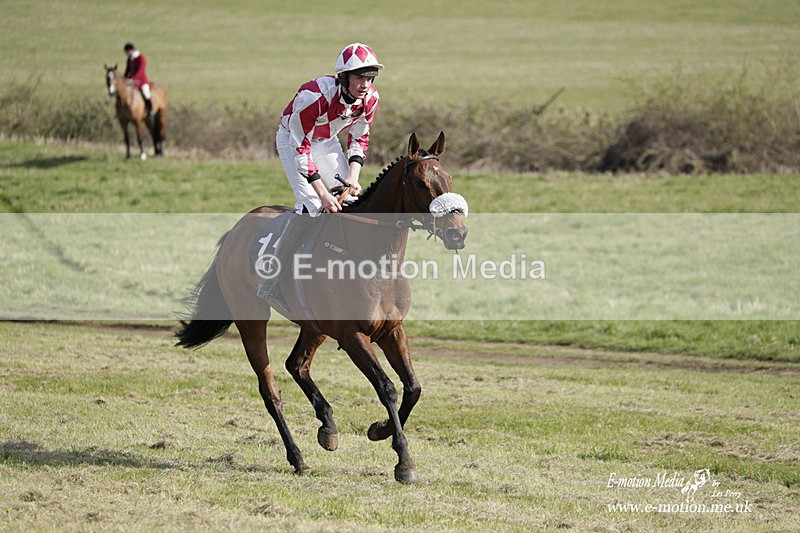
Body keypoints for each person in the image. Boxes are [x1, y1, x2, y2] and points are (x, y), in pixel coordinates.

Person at [258, 43, 384, 310]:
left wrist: (353, 177)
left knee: (352, 201)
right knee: (313, 206)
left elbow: (359, 138)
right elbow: (301, 150)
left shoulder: (370, 99)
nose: (365, 84)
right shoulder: (313, 96)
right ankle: (272, 280)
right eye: (359, 77)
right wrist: (324, 194)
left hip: (326, 143)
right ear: (343, 77)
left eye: (370, 77)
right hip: (294, 143)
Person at [123, 43, 154, 119]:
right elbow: (127, 70)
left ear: (131, 50)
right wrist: (124, 79)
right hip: (131, 81)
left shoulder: (141, 58)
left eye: (127, 52)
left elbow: (140, 71)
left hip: (141, 81)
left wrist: (133, 79)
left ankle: (151, 110)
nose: (127, 54)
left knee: (146, 93)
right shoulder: (129, 59)